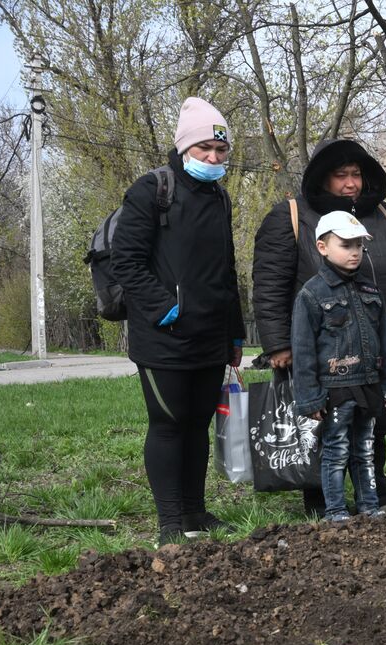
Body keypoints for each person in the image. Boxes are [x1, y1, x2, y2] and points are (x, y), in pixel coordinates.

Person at [253, 139, 386, 516]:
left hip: (376, 342)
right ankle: (320, 501)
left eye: (357, 175)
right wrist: (278, 343)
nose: (351, 184)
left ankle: (375, 493)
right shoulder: (290, 216)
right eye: (341, 175)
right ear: (323, 178)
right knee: (322, 423)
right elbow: (269, 284)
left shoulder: (384, 215)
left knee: (375, 414)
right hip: (322, 348)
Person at [110, 96, 245, 547]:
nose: (212, 157)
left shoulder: (220, 197)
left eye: (220, 150)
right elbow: (124, 262)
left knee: (197, 423)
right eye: (204, 147)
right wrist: (165, 308)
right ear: (185, 146)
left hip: (211, 336)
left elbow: (227, 271)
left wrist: (235, 332)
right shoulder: (152, 190)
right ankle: (170, 523)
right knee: (168, 424)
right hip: (163, 337)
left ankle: (195, 512)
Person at [291, 211, 386, 521]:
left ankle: (369, 506)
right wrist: (310, 397)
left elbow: (385, 344)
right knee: (336, 449)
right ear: (323, 247)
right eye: (345, 244)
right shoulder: (312, 294)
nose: (354, 252)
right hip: (335, 389)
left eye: (358, 245)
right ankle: (336, 510)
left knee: (365, 449)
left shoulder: (370, 291)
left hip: (368, 385)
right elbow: (302, 350)